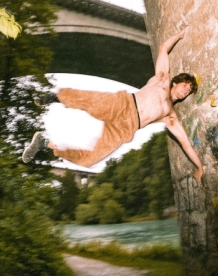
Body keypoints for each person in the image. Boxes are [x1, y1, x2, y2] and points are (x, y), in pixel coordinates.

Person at [22, 30, 204, 185]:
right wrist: (180, 35)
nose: (185, 91)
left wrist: (200, 167)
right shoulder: (162, 79)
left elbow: (186, 144)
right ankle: (55, 96)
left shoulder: (170, 116)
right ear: (177, 82)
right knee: (89, 100)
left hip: (124, 129)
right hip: (122, 104)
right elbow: (163, 48)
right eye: (185, 86)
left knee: (89, 159)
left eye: (188, 91)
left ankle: (44, 143)